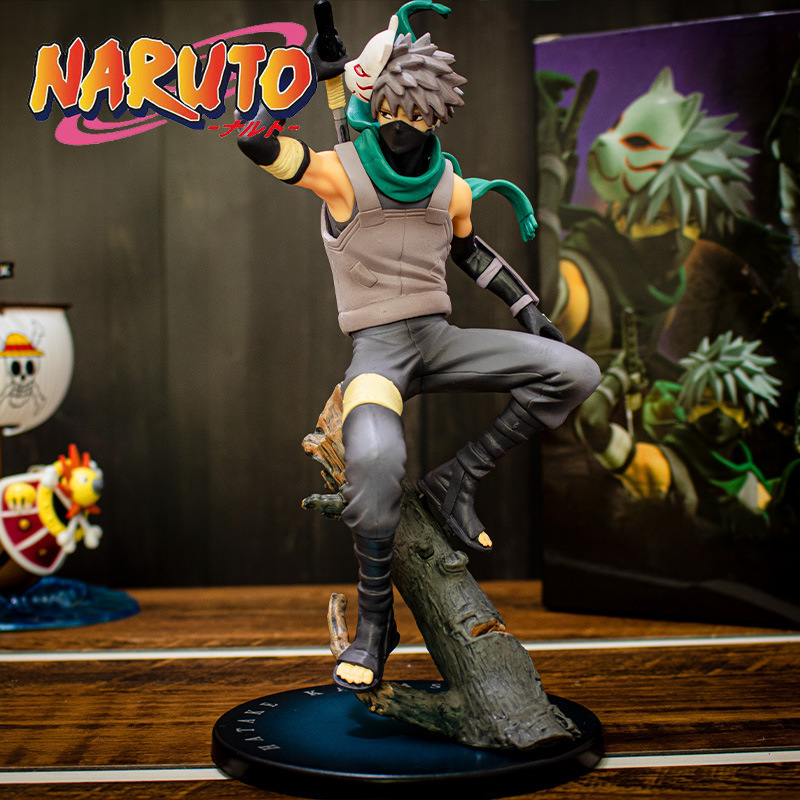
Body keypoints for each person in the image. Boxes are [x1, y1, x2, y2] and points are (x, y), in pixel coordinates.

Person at [238, 26, 600, 691]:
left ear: (438, 118)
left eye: (420, 117)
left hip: (441, 341)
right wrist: (300, 78)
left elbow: (468, 250)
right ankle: (377, 623)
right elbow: (257, 142)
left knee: (575, 370)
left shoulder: (451, 186)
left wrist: (527, 309)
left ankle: (460, 476)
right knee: (375, 461)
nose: (406, 128)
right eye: (394, 113)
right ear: (376, 108)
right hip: (379, 354)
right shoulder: (339, 173)